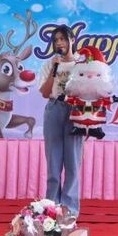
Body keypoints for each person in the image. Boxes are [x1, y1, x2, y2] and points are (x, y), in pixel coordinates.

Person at [38, 25, 85, 216]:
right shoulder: (50, 64)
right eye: (56, 40)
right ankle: (51, 206)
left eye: (63, 39)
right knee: (53, 160)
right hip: (54, 108)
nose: (59, 43)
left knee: (73, 161)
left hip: (75, 109)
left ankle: (70, 209)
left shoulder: (82, 62)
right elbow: (44, 92)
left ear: (72, 40)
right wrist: (54, 70)